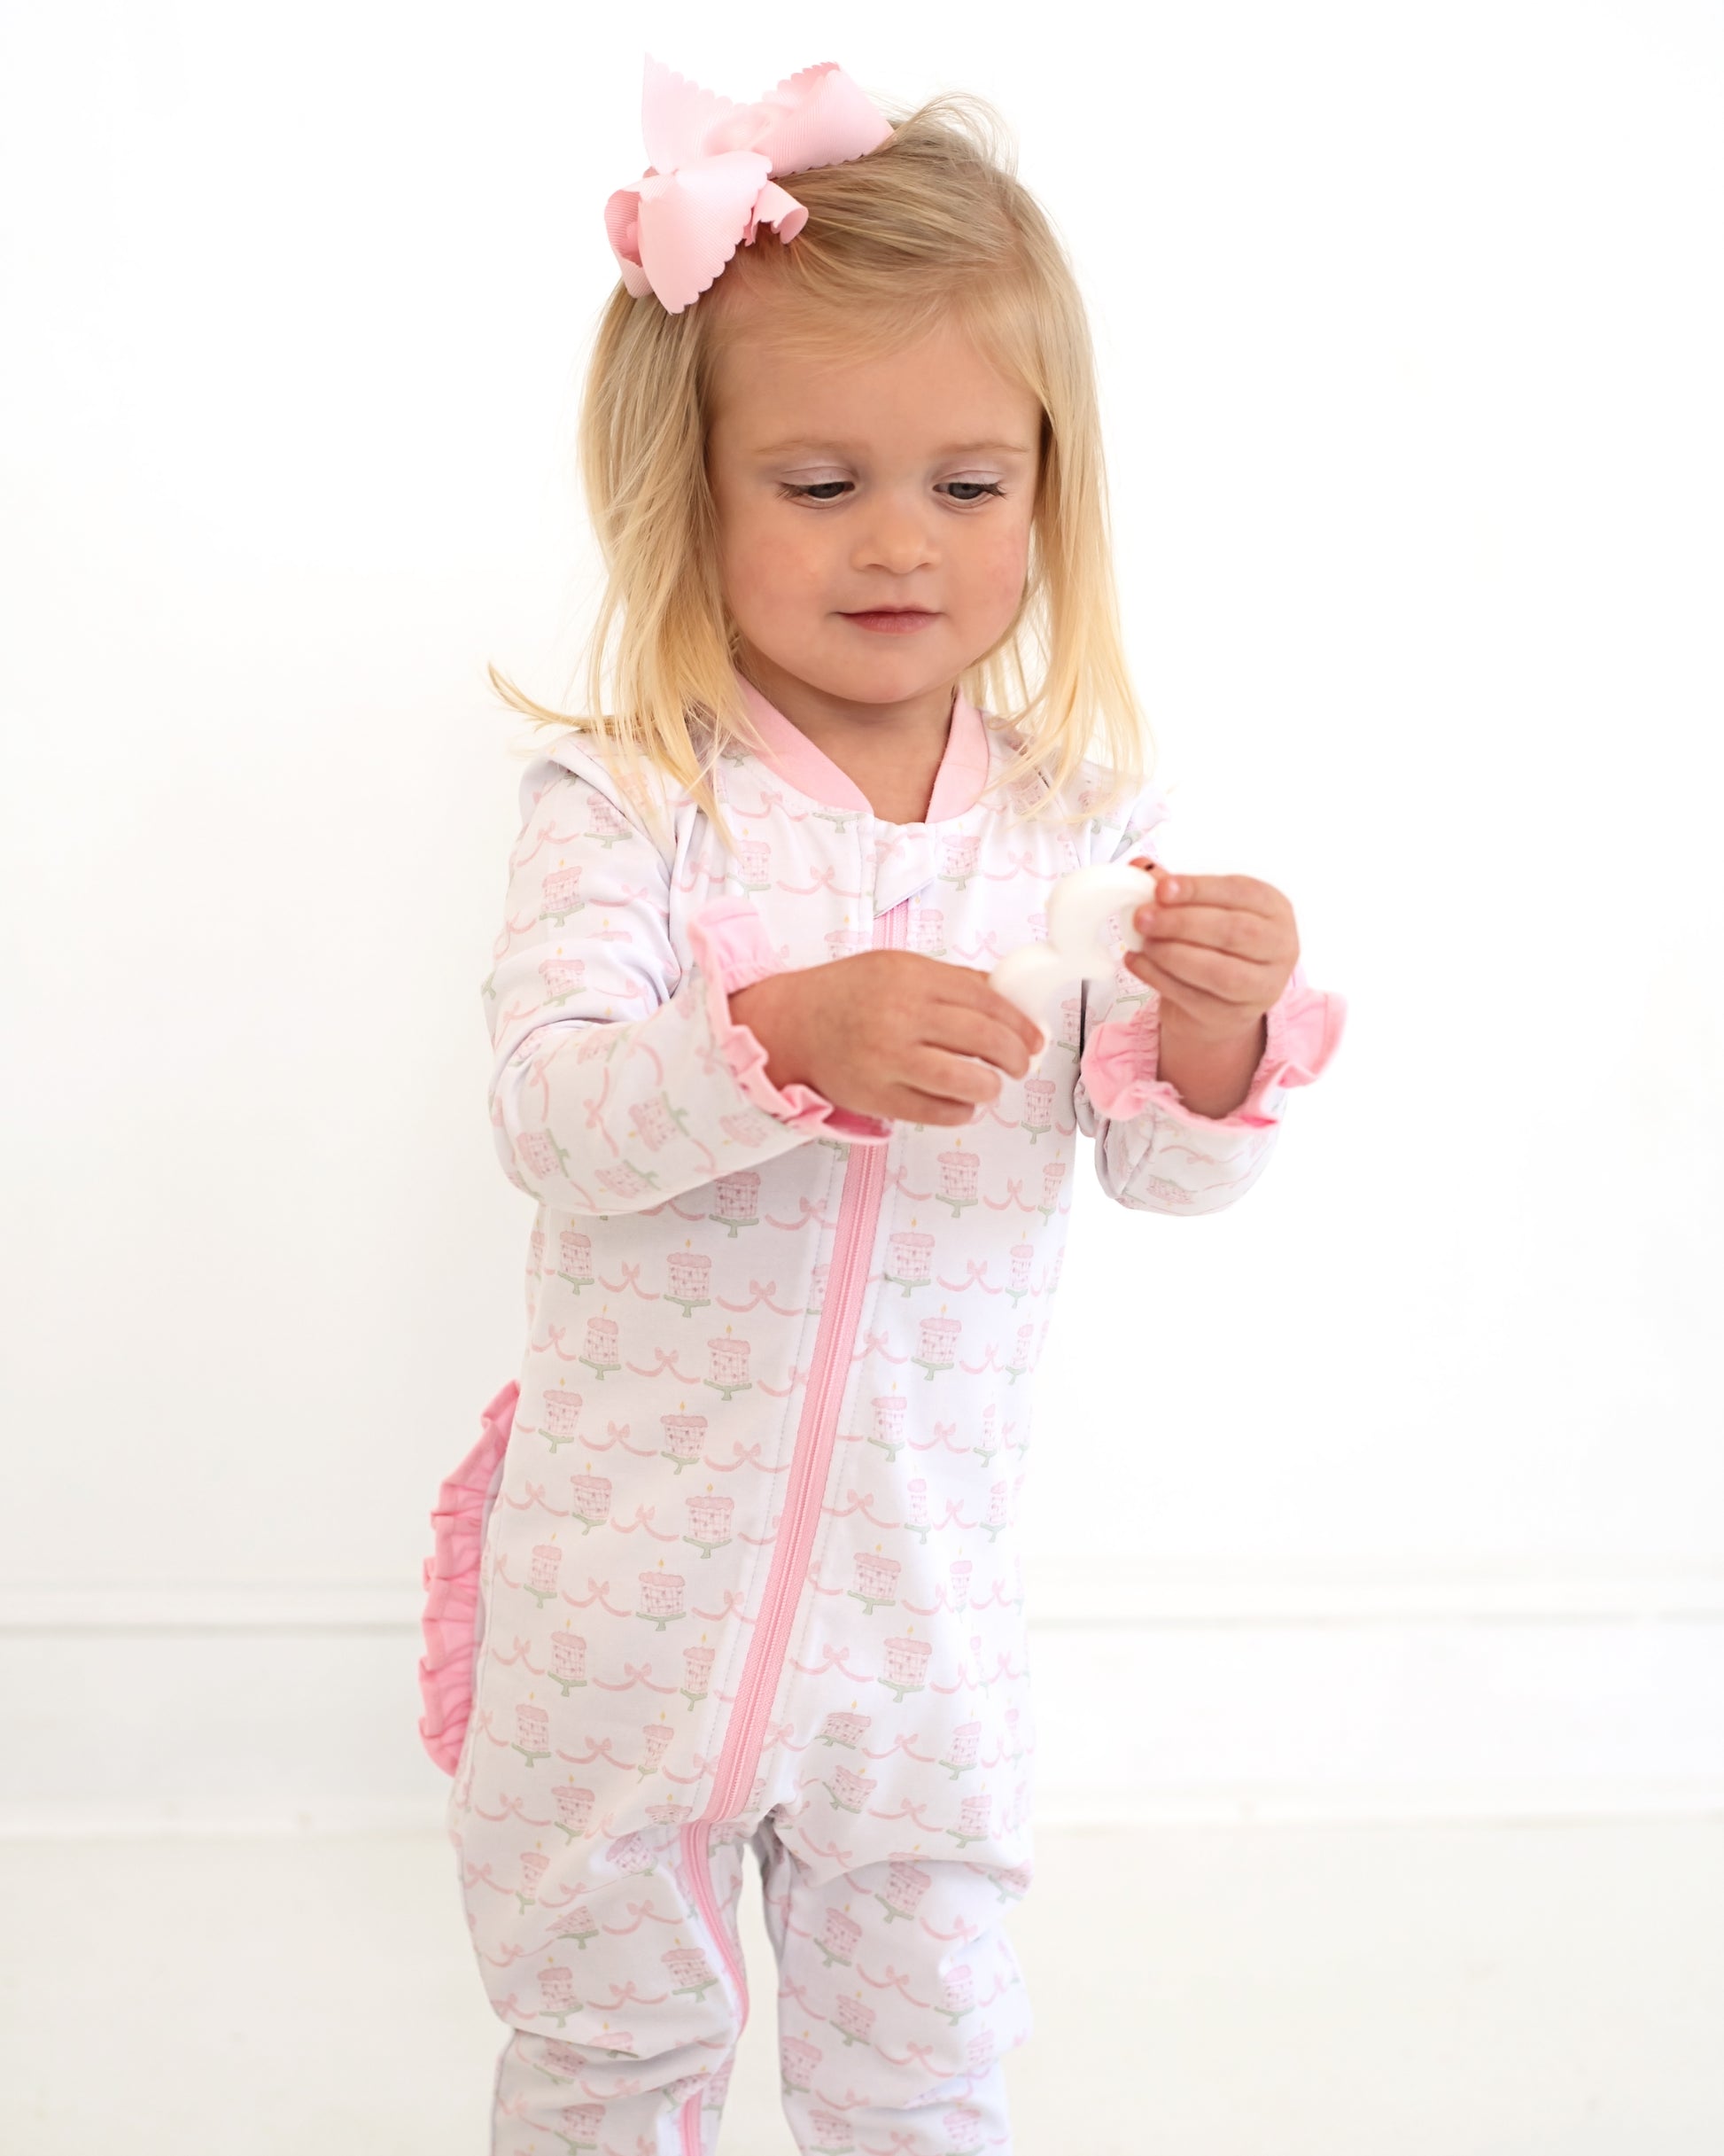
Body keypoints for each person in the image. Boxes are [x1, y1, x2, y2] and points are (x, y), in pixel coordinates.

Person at [416, 57, 1347, 2156]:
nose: (902, 541)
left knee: (923, 2074)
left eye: (969, 482)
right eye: (820, 482)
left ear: (1048, 492)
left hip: (919, 1627)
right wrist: (772, 1036)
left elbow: (1167, 1168)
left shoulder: (1079, 831)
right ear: (689, 493)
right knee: (604, 2055)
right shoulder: (630, 804)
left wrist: (1220, 1024)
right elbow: (554, 1114)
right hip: (624, 1611)